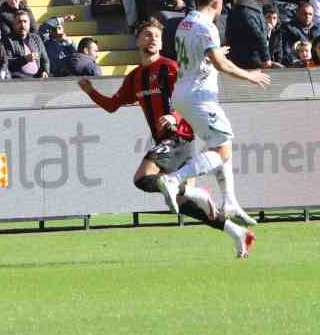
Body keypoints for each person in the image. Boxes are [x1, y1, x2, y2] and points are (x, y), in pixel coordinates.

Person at [79, 21, 253, 257]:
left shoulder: (170, 67)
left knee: (142, 178)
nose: (153, 39)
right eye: (148, 35)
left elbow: (188, 94)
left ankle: (192, 191)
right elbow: (112, 105)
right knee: (183, 204)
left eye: (157, 36)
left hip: (179, 136)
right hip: (168, 141)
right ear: (137, 40)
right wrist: (91, 92)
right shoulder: (135, 77)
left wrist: (174, 116)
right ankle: (237, 233)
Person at [156, 0, 270, 228]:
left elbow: (200, 56)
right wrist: (251, 75)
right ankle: (174, 180)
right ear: (217, 4)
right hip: (199, 96)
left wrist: (217, 52)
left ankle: (229, 201)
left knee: (220, 145)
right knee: (223, 149)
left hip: (185, 92)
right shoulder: (207, 26)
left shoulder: (184, 23)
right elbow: (221, 65)